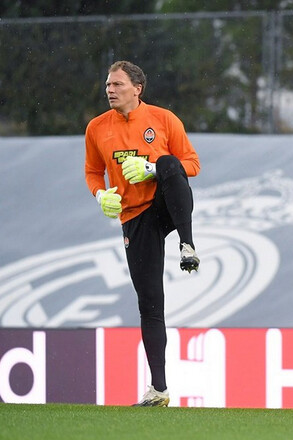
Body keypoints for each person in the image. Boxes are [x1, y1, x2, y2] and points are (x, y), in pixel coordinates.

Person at [85, 60, 201, 407]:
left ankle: (187, 244)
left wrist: (152, 168)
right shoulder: (96, 127)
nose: (110, 90)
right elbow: (93, 171)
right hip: (134, 217)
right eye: (108, 84)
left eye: (118, 84)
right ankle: (159, 390)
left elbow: (192, 164)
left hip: (164, 204)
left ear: (137, 89)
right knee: (150, 303)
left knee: (168, 162)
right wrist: (100, 195)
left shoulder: (163, 119)